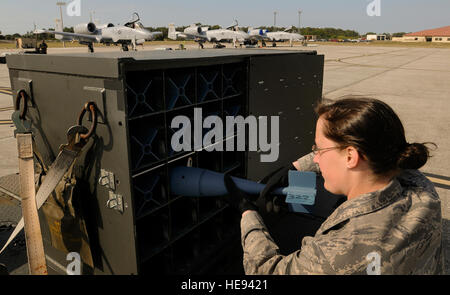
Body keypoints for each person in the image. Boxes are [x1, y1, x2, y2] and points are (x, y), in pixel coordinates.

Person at [224, 97, 444, 275]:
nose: (316, 159)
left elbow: (265, 270)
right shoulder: (422, 189)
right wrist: (297, 166)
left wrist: (248, 214)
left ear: (351, 156)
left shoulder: (339, 253)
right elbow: (371, 138)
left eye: (319, 149)